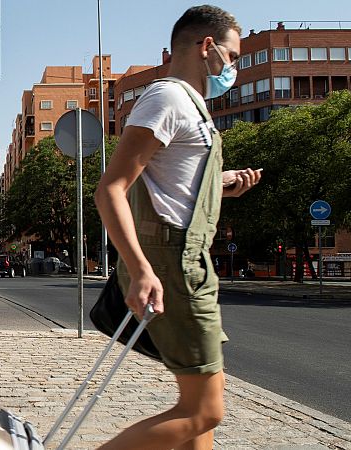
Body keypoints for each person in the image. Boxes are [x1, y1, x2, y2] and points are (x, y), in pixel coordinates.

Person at [94, 6, 262, 449]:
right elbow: (110, 188)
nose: (234, 68)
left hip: (187, 260)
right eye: (232, 56)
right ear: (206, 47)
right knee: (205, 409)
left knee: (198, 410)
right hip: (171, 262)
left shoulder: (193, 106)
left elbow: (167, 182)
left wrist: (220, 186)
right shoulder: (166, 98)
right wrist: (142, 269)